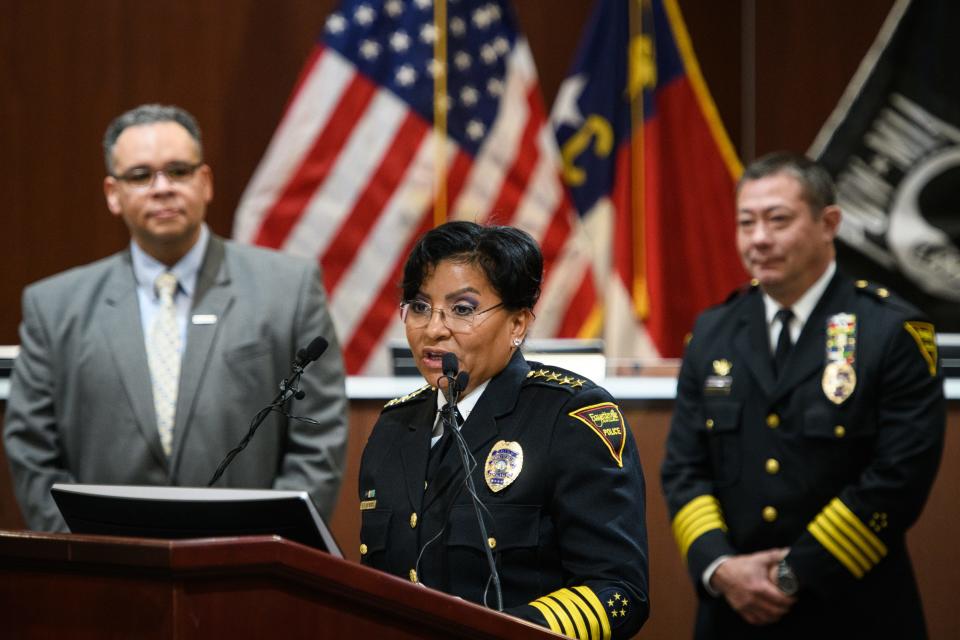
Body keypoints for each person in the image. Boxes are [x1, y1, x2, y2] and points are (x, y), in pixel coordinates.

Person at [3, 104, 348, 531]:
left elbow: (318, 437)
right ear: (113, 193)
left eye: (178, 171)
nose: (162, 188)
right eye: (141, 175)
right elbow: (32, 449)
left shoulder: (287, 289)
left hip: (249, 572)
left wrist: (274, 550)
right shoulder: (53, 307)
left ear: (205, 183)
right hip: (107, 572)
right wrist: (81, 554)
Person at [661, 151, 945, 638]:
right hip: (732, 611)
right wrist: (721, 568)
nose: (759, 239)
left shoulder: (890, 329)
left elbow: (899, 477)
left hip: (852, 607)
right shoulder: (713, 331)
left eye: (778, 220)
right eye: (746, 222)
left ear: (828, 222)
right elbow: (684, 469)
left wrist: (793, 575)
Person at [358, 221, 649, 638]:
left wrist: (503, 630)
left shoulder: (570, 416)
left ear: (517, 325)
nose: (434, 328)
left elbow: (618, 591)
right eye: (419, 306)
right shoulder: (393, 427)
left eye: (462, 309)